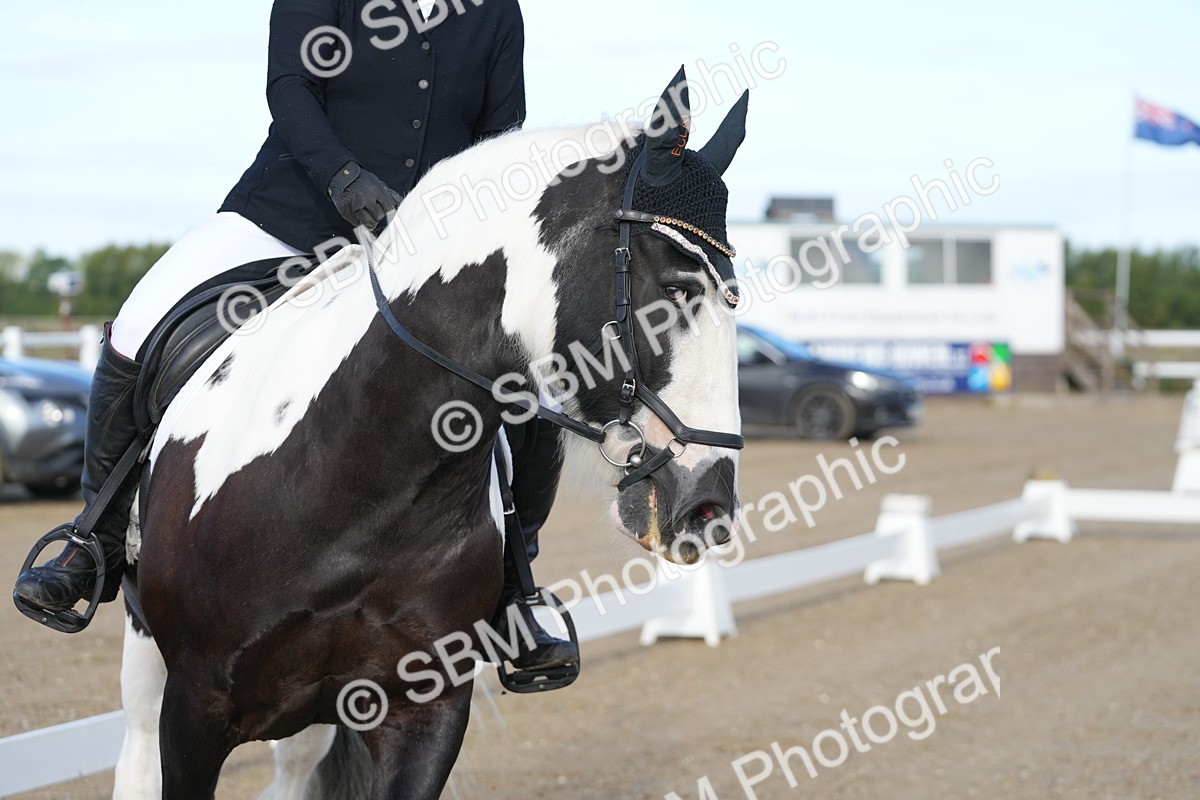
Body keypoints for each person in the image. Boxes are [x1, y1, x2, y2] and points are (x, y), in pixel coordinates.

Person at [14, 0, 576, 671]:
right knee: (137, 322)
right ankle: (95, 544)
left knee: (531, 387)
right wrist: (343, 179)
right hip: (289, 214)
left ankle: (514, 585)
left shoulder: (493, 12)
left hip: (422, 250)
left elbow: (499, 131)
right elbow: (291, 87)